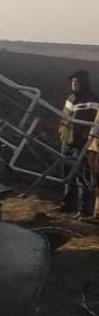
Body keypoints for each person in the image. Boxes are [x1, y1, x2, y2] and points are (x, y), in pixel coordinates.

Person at [57, 70, 97, 217]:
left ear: (83, 83)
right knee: (67, 173)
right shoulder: (70, 97)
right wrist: (61, 127)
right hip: (67, 140)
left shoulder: (93, 100)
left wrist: (88, 134)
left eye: (77, 82)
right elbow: (65, 115)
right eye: (73, 82)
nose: (74, 84)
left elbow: (95, 121)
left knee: (82, 175)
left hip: (81, 143)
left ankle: (84, 209)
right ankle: (67, 204)